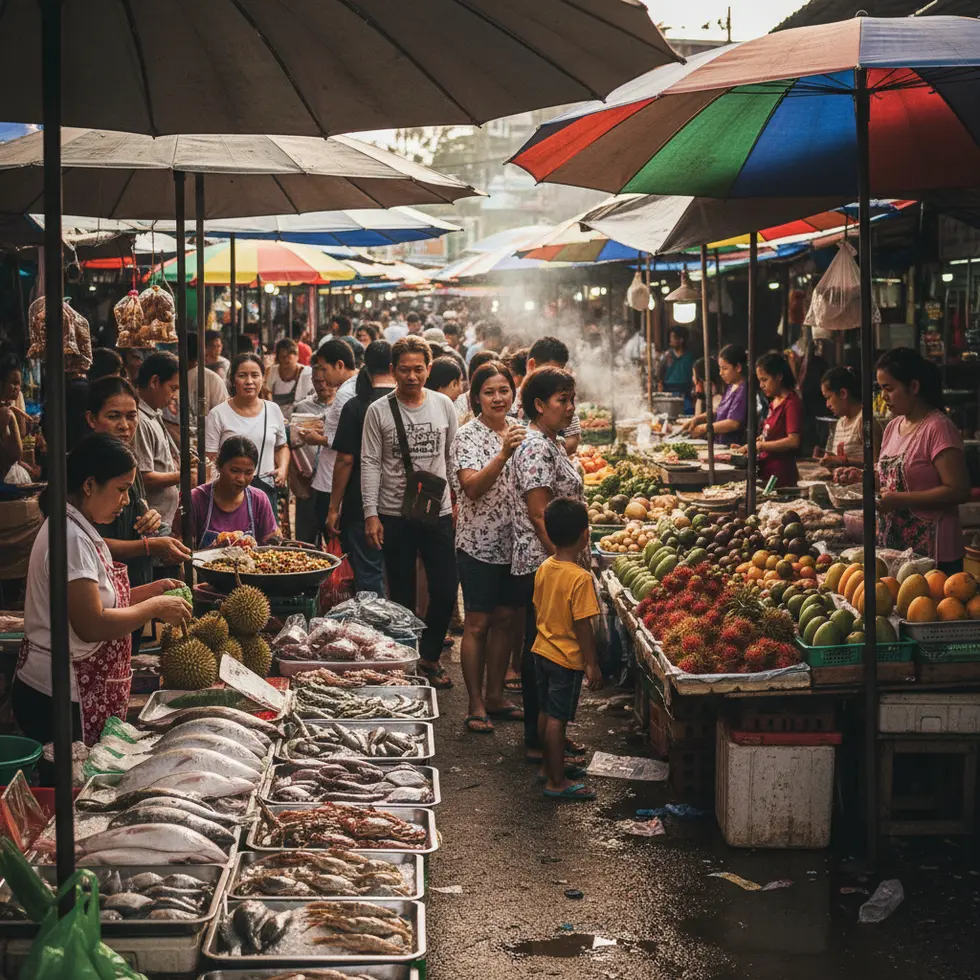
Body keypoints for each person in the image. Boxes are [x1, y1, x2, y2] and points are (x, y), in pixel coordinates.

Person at [14, 432, 192, 745]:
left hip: (69, 690)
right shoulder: (71, 539)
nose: (127, 501)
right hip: (59, 696)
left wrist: (153, 591)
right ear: (89, 485)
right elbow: (91, 624)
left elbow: (97, 603)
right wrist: (154, 607)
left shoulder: (77, 527)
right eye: (121, 489)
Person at [361, 336, 458, 687]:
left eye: (419, 369)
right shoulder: (378, 411)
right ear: (392, 370)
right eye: (404, 370)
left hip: (437, 511)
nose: (412, 376)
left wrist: (457, 502)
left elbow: (452, 456)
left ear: (429, 369)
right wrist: (371, 513)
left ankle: (429, 655)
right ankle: (404, 661)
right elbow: (370, 462)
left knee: (445, 588)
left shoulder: (443, 405)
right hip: (394, 513)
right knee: (401, 595)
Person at [511, 367, 588, 765]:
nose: (570, 407)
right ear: (539, 405)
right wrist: (564, 562)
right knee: (545, 653)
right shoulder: (536, 447)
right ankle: (538, 740)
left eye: (572, 399)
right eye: (562, 400)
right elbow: (540, 514)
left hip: (553, 563)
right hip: (543, 565)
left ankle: (551, 734)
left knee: (551, 651)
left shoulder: (550, 441)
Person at [451, 361, 526, 733]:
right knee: (478, 624)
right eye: (489, 392)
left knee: (507, 620)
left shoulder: (521, 430)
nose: (498, 398)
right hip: (478, 544)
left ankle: (495, 696)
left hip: (516, 544)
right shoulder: (467, 436)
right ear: (475, 397)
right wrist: (502, 455)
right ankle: (475, 704)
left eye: (504, 390)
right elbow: (472, 488)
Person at [87, 377, 191, 643]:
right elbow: (88, 544)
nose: (124, 425)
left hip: (130, 589)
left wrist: (150, 516)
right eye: (113, 416)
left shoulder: (127, 464)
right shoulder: (86, 472)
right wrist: (149, 546)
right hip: (98, 598)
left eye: (131, 416)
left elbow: (135, 515)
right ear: (91, 419)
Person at [876, 348, 970, 573]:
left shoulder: (938, 428)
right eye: (881, 389)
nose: (883, 396)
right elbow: (893, 476)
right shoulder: (892, 427)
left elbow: (958, 490)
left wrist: (898, 499)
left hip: (936, 554)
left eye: (889, 388)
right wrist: (864, 476)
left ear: (914, 387)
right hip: (896, 549)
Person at [533, 497, 602, 800]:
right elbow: (583, 626)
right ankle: (556, 781)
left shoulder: (544, 567)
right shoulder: (580, 578)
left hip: (541, 650)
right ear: (585, 535)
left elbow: (538, 606)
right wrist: (591, 663)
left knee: (545, 711)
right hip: (565, 658)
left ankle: (548, 766)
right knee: (557, 719)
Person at [327, 341, 394, 595]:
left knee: (369, 576)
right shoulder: (406, 403)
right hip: (400, 503)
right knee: (397, 575)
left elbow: (345, 460)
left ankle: (374, 619)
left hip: (360, 503)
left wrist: (334, 507)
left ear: (366, 365)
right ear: (394, 367)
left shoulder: (355, 406)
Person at [205, 352, 289, 517]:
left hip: (265, 489)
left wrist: (283, 468)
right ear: (233, 380)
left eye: (255, 375)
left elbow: (282, 446)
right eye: (242, 375)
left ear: (263, 378)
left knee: (266, 532)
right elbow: (211, 458)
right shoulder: (218, 414)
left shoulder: (273, 410)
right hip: (230, 492)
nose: (249, 381)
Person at [297, 340, 358, 543]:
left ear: (339, 365)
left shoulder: (345, 394)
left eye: (324, 369)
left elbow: (341, 442)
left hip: (335, 479)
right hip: (337, 478)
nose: (322, 376)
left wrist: (317, 439)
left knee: (335, 539)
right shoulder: (357, 386)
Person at [190, 436, 279, 548]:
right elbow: (182, 549)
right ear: (219, 466)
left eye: (248, 473)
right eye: (234, 471)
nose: (241, 479)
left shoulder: (259, 499)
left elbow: (270, 543)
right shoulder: (196, 498)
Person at [133, 351, 182, 535]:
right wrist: (182, 476)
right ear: (154, 382)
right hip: (151, 522)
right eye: (172, 388)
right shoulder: (141, 420)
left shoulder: (154, 414)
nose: (175, 395)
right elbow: (144, 477)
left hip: (163, 519)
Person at [291, 358, 336, 543]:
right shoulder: (302, 407)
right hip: (306, 479)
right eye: (318, 382)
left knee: (333, 537)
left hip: (332, 482)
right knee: (305, 538)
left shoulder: (342, 407)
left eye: (327, 381)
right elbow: (292, 444)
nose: (323, 386)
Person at [513, 337, 581, 456]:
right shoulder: (510, 402)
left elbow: (572, 439)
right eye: (550, 371)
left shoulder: (562, 403)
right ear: (531, 366)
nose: (556, 379)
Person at [162, 333, 229, 445]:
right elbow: (223, 418)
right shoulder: (213, 378)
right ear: (203, 351)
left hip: (181, 442)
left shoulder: (168, 378)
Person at [755, 351, 804, 488]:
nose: (761, 385)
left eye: (764, 380)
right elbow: (772, 434)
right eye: (760, 380)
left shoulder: (791, 403)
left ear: (779, 377)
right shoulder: (774, 402)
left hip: (781, 474)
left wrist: (761, 446)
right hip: (766, 470)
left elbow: (793, 441)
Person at [683, 345, 748, 444]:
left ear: (738, 367)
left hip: (734, 446)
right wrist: (699, 418)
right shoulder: (731, 386)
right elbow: (720, 412)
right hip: (720, 443)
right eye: (720, 368)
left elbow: (733, 423)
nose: (720, 373)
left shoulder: (743, 390)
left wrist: (704, 428)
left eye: (724, 368)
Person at [819, 365, 881, 467]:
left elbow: (874, 463)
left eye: (828, 397)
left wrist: (841, 461)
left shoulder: (865, 421)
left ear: (843, 393)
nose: (827, 404)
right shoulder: (840, 422)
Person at [265, 338, 314, 420]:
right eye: (282, 359)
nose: (285, 363)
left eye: (288, 361)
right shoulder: (273, 371)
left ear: (297, 357)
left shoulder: (307, 374)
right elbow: (268, 392)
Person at [659, 327, 695, 414]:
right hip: (668, 392)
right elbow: (659, 374)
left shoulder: (690, 357)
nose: (670, 340)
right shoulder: (667, 355)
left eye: (672, 338)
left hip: (686, 393)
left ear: (681, 340)